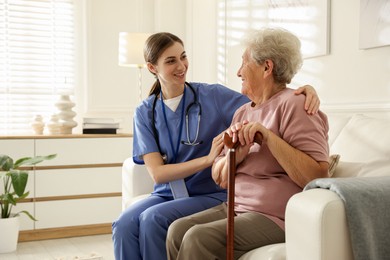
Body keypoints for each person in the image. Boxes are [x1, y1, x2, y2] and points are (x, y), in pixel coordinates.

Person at [112, 32, 322, 260]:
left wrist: (306, 89)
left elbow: (273, 100)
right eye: (171, 61)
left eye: (183, 57)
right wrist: (222, 156)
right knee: (125, 225)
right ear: (152, 68)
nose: (238, 71)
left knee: (157, 222)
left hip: (215, 195)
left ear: (267, 67)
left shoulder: (216, 97)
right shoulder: (146, 112)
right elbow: (160, 173)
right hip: (179, 194)